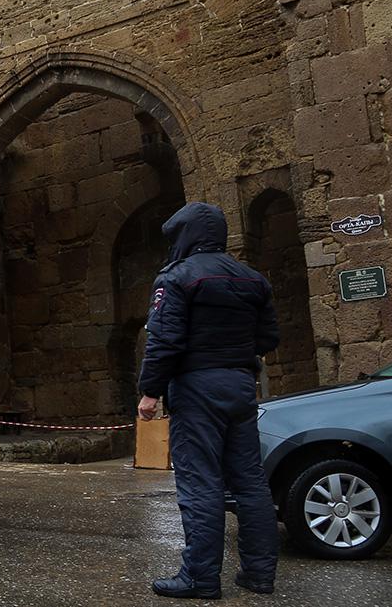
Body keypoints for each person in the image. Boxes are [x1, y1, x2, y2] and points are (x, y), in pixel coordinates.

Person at [137, 202, 280, 600]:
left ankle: (200, 577)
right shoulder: (254, 279)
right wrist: (233, 353)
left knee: (200, 482)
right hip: (239, 383)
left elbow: (164, 340)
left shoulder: (176, 278)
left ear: (186, 236)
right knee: (250, 482)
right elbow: (269, 338)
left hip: (197, 387)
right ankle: (259, 574)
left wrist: (150, 391)